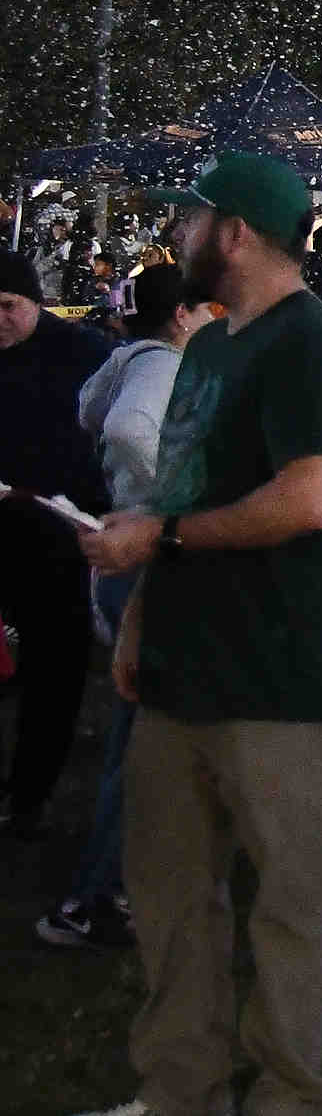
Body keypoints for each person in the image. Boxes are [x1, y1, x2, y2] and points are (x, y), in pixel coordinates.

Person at [77, 152, 322, 1116]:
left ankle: (287, 1097)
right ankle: (182, 1093)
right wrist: (143, 619)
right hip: (180, 673)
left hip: (279, 684)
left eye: (190, 220)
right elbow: (180, 492)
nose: (177, 234)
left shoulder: (312, 346)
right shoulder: (206, 348)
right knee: (172, 912)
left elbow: (314, 496)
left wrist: (156, 536)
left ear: (233, 232)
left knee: (290, 917)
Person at [36, 265, 214, 950]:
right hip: (147, 555)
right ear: (180, 317)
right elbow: (129, 429)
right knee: (145, 741)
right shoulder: (164, 366)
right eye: (207, 309)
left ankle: (109, 883)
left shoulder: (127, 357)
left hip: (125, 548)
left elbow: (89, 407)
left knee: (135, 732)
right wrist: (174, 499)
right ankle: (98, 895)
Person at [0, 247, 115, 836]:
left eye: (8, 307)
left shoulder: (84, 353)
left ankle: (28, 794)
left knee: (55, 667)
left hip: (59, 530)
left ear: (35, 303)